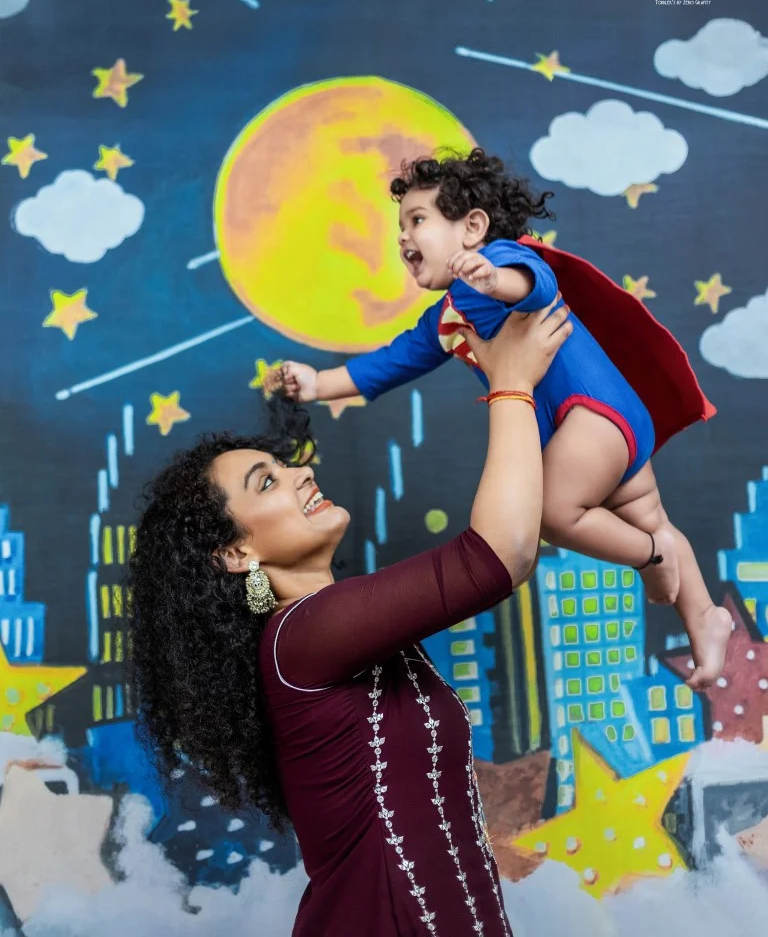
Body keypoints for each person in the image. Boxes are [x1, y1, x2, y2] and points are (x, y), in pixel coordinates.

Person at [128, 300, 571, 937]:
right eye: (266, 482)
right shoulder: (300, 637)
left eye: (285, 465)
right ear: (236, 554)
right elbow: (500, 555)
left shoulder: (345, 631)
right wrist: (512, 382)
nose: (301, 474)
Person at [279, 148, 731, 690]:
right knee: (648, 516)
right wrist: (318, 384)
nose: (403, 237)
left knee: (555, 513)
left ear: (472, 227)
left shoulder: (501, 260)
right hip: (602, 424)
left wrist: (495, 279)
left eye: (417, 220)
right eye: (400, 227)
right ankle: (704, 616)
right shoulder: (445, 318)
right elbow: (391, 362)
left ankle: (652, 557)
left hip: (593, 413)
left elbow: (536, 282)